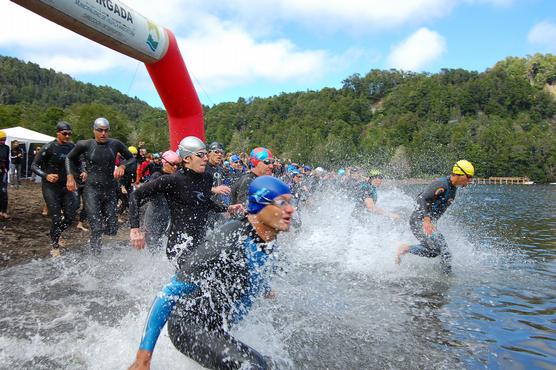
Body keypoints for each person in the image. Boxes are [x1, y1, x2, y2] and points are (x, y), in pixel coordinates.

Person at [128, 176, 295, 370]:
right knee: (251, 367)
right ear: (259, 205)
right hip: (189, 327)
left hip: (217, 328)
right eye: (282, 203)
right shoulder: (227, 241)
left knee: (272, 364)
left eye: (290, 202)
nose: (291, 209)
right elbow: (168, 293)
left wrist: (263, 287)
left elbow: (253, 265)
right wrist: (143, 358)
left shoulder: (267, 235)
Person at [129, 136, 243, 264]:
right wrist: (135, 228)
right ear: (187, 158)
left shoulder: (207, 178)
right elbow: (135, 195)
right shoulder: (172, 180)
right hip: (179, 246)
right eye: (201, 155)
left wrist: (227, 208)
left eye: (205, 154)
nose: (206, 158)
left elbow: (203, 202)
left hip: (199, 242)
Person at [65, 117, 135, 252]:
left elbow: (131, 158)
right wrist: (70, 176)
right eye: (100, 130)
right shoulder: (84, 144)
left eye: (106, 131)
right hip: (92, 190)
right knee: (96, 228)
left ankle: (97, 233)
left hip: (109, 190)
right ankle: (96, 254)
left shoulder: (115, 144)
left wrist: (122, 166)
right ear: (94, 130)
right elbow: (69, 157)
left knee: (113, 229)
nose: (103, 134)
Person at [395, 160, 475, 273]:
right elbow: (422, 198)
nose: (470, 180)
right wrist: (427, 220)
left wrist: (432, 222)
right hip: (420, 221)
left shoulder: (453, 188)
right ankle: (446, 279)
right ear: (458, 173)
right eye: (468, 177)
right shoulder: (441, 184)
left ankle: (406, 248)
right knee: (445, 252)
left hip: (426, 222)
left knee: (434, 252)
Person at [31, 121, 79, 257]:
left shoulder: (72, 147)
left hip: (65, 185)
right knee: (56, 218)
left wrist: (82, 171)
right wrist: (46, 175)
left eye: (70, 134)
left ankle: (56, 233)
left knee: (70, 217)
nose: (68, 136)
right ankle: (55, 245)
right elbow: (34, 166)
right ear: (58, 133)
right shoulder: (49, 147)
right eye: (65, 134)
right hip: (51, 187)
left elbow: (79, 162)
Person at [142, 150, 181, 251]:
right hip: (154, 216)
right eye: (173, 164)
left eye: (177, 164)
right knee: (154, 248)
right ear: (165, 163)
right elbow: (145, 194)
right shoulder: (157, 176)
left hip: (168, 216)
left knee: (173, 246)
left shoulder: (176, 177)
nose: (176, 167)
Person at [0, 130, 9, 219]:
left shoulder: (6, 147)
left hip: (3, 172)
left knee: (3, 191)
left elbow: (7, 160)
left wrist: (6, 169)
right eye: (1, 139)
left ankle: (4, 211)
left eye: (4, 139)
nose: (3, 141)